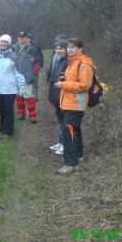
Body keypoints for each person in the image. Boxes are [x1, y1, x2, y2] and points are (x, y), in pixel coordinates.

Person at [54, 38, 95, 175]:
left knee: (69, 132)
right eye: (68, 47)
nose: (70, 49)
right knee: (74, 130)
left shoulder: (84, 64)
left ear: (80, 49)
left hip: (76, 103)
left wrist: (63, 85)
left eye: (73, 47)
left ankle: (70, 164)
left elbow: (84, 85)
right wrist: (63, 80)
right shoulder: (73, 62)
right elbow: (74, 80)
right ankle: (78, 156)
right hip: (69, 102)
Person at [0, 34, 25, 138]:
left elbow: (18, 73)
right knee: (1, 110)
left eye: (5, 42)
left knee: (8, 111)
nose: (3, 43)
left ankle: (8, 132)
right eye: (2, 41)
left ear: (9, 44)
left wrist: (21, 86)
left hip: (10, 89)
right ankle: (2, 128)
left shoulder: (13, 56)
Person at [46, 38, 68, 155]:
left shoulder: (68, 62)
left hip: (62, 96)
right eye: (57, 48)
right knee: (59, 120)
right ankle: (60, 142)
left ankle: (65, 144)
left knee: (64, 121)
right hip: (54, 95)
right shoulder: (58, 60)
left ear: (66, 49)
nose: (58, 51)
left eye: (61, 49)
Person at [12, 31, 40, 123]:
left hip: (28, 76)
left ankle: (32, 115)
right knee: (19, 96)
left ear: (26, 38)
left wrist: (34, 73)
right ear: (18, 38)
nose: (21, 38)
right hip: (16, 77)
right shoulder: (14, 48)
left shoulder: (32, 49)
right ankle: (21, 114)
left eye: (23, 37)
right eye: (20, 37)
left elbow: (37, 62)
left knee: (29, 96)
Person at [27, 33, 44, 101]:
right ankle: (28, 96)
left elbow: (40, 57)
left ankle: (35, 97)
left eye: (28, 38)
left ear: (30, 39)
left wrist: (39, 64)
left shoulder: (36, 47)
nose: (27, 40)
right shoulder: (23, 48)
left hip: (34, 68)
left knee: (35, 83)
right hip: (26, 69)